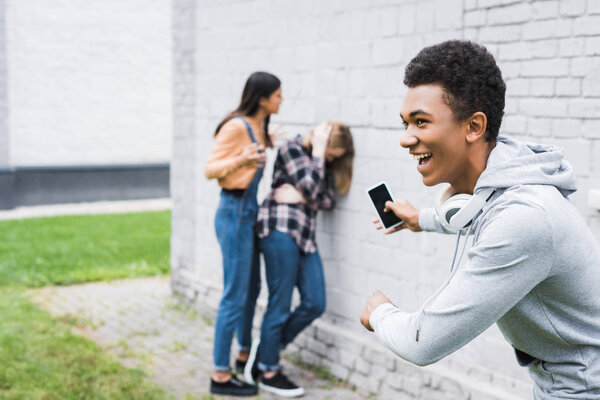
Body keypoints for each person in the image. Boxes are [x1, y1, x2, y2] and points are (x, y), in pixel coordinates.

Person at [359, 40, 600, 399]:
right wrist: (419, 219)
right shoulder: (507, 186)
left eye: (420, 122)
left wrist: (380, 313)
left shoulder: (522, 220)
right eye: (405, 123)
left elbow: (420, 343)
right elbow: (473, 211)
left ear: (473, 127)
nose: (406, 139)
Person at [244, 121, 354, 397]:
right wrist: (318, 153)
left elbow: (327, 198)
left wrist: (303, 199)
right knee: (279, 303)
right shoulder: (292, 148)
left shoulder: (319, 163)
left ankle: (266, 348)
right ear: (324, 145)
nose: (329, 161)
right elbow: (310, 184)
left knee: (315, 302)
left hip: (304, 237)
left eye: (332, 159)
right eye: (331, 155)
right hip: (279, 230)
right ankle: (268, 370)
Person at [205, 71, 282, 397]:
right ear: (263, 98)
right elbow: (210, 169)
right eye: (278, 94)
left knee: (252, 288)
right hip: (233, 213)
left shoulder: (256, 127)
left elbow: (258, 148)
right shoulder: (237, 126)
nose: (282, 100)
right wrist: (243, 157)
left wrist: (269, 142)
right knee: (234, 295)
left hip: (248, 214)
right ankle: (220, 376)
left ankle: (241, 355)